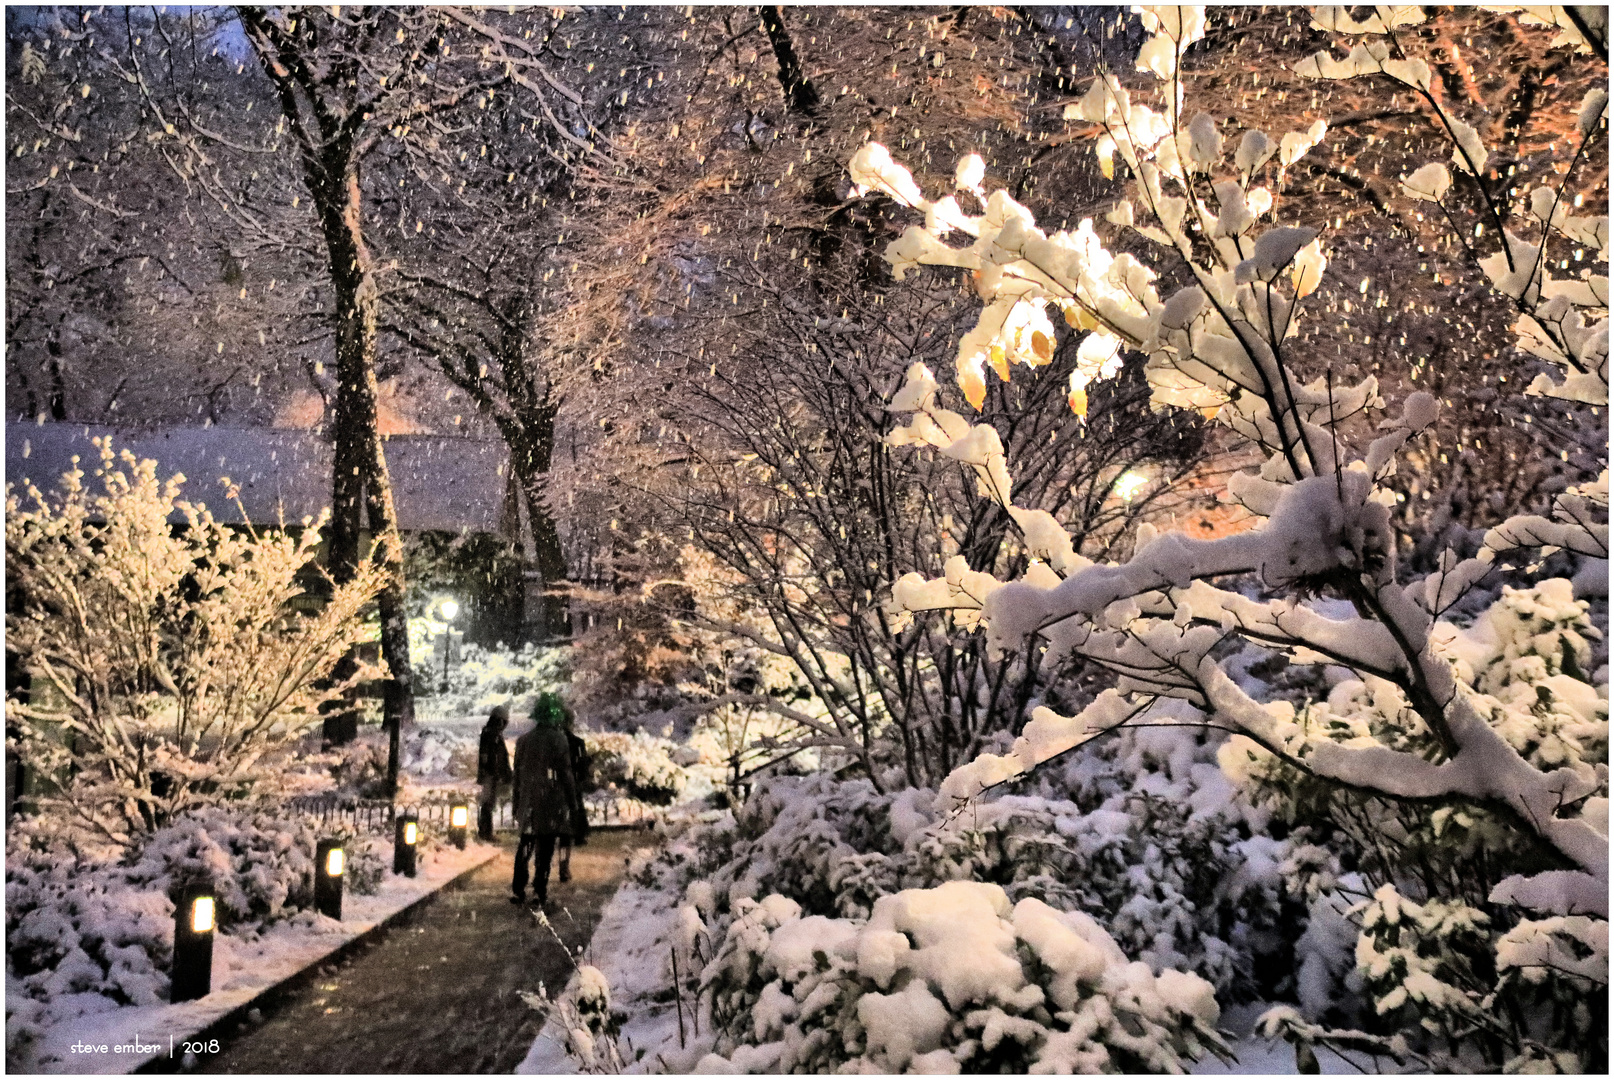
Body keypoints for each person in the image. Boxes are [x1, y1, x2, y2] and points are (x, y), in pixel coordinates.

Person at [510, 692, 577, 907]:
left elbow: (517, 776)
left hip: (528, 801)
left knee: (526, 844)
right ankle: (540, 889)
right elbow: (566, 774)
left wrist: (516, 802)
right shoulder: (559, 740)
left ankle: (519, 887)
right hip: (550, 801)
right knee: (545, 847)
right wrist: (572, 802)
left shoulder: (523, 741)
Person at [556, 711, 591, 883]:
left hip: (552, 789)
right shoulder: (577, 743)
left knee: (550, 832)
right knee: (566, 830)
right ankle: (563, 866)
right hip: (571, 787)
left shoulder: (553, 744)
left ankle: (544, 870)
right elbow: (583, 768)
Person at [476, 705, 512, 842]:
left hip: (491, 773)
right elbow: (492, 757)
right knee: (488, 803)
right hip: (490, 774)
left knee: (489, 803)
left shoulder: (491, 734)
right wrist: (496, 772)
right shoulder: (491, 735)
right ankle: (485, 831)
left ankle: (485, 831)